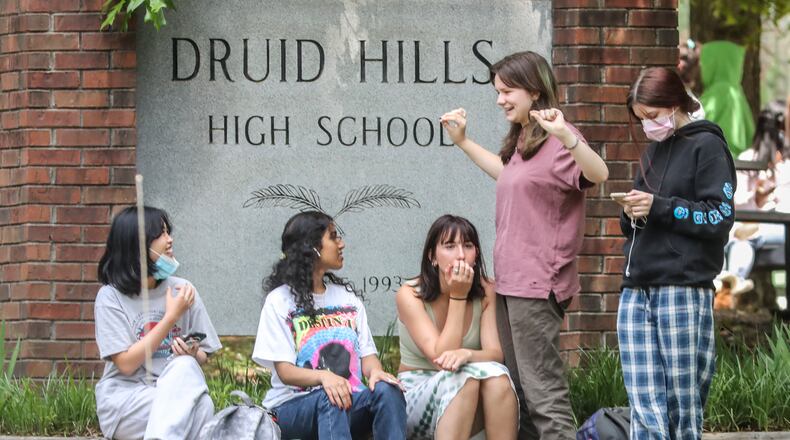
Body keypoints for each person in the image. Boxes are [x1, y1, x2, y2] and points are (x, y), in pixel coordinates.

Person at [440, 50, 609, 439]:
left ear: (534, 91)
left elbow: (596, 173)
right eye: (497, 91)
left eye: (506, 91)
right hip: (512, 285)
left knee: (543, 395)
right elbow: (509, 177)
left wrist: (566, 135)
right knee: (522, 395)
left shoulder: (559, 139)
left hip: (537, 286)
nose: (500, 99)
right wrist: (464, 142)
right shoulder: (524, 141)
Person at [615, 66, 736, 439]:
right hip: (636, 289)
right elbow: (645, 217)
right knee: (644, 405)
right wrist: (631, 212)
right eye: (641, 119)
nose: (648, 126)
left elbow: (719, 215)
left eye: (652, 117)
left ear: (674, 104)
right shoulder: (652, 153)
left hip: (682, 289)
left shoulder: (709, 147)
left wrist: (660, 207)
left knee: (683, 407)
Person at [252, 211, 407, 440]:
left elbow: (368, 356)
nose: (341, 243)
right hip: (292, 409)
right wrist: (325, 377)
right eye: (333, 237)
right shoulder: (279, 301)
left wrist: (376, 373)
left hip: (346, 403)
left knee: (388, 390)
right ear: (312, 247)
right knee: (330, 394)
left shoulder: (347, 299)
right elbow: (285, 372)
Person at [94, 206, 222, 440]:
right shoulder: (110, 297)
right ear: (136, 244)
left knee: (194, 386)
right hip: (128, 402)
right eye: (161, 234)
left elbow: (204, 356)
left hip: (172, 393)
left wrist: (193, 353)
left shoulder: (182, 290)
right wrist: (171, 318)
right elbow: (125, 364)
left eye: (168, 232)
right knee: (192, 406)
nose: (170, 240)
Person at [396, 215, 518, 440]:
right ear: (432, 256)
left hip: (466, 389)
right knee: (466, 381)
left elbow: (495, 354)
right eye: (450, 246)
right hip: (415, 394)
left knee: (498, 378)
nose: (460, 255)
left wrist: (467, 353)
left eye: (468, 246)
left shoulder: (487, 290)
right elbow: (440, 357)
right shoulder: (410, 294)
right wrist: (459, 296)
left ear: (477, 254)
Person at [699, 40, 755, 157]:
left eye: (704, 61)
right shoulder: (735, 91)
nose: (701, 66)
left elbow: (697, 122)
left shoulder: (721, 92)